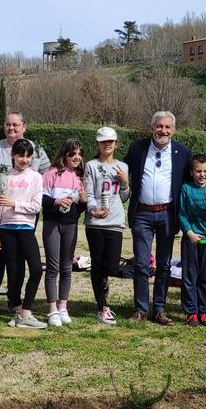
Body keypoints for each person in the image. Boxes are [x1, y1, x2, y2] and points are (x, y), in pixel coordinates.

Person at [124, 111, 192, 325]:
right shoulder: (137, 148)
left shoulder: (183, 152)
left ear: (174, 130)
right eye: (159, 126)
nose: (163, 131)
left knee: (163, 264)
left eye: (167, 127)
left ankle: (160, 309)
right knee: (142, 264)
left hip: (167, 214)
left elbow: (192, 182)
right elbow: (123, 174)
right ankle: (141, 309)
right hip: (142, 213)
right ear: (152, 127)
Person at [0, 112, 50, 316]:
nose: (11, 128)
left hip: (24, 220)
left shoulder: (36, 150)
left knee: (17, 263)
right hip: (0, 218)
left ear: (24, 127)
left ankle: (14, 300)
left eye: (16, 125)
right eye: (8, 124)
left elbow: (47, 175)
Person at [0, 139, 46, 329]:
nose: (24, 160)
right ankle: (17, 308)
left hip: (26, 229)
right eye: (21, 155)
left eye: (28, 156)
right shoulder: (4, 177)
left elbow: (36, 206)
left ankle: (26, 311)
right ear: (13, 155)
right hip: (7, 229)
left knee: (36, 269)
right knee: (14, 272)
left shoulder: (36, 177)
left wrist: (15, 204)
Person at [84, 126, 130, 325]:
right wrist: (94, 210)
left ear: (116, 144)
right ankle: (101, 306)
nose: (107, 144)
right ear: (98, 144)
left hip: (115, 221)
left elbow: (125, 197)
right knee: (97, 264)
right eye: (103, 141)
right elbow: (89, 193)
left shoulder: (123, 166)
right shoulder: (91, 165)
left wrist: (125, 182)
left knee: (111, 266)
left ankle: (104, 283)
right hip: (95, 222)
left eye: (110, 141)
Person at [42, 139, 89, 327]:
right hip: (53, 224)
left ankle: (63, 306)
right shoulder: (52, 173)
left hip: (71, 225)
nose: (76, 157)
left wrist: (84, 202)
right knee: (53, 267)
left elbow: (79, 209)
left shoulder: (80, 177)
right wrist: (56, 202)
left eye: (79, 154)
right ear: (64, 154)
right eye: (72, 154)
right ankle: (52, 309)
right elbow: (42, 198)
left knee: (67, 267)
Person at [179, 154, 206, 326]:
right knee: (190, 277)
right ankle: (191, 312)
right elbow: (182, 214)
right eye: (198, 171)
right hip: (191, 240)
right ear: (191, 172)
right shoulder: (186, 189)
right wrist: (189, 233)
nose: (202, 175)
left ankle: (204, 311)